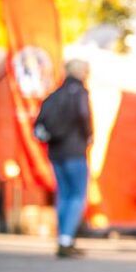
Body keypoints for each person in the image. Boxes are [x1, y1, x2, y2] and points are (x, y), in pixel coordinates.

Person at [37, 60, 93, 258]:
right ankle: (66, 240)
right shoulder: (79, 92)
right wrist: (89, 135)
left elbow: (39, 123)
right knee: (77, 196)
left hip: (56, 153)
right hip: (75, 152)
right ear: (81, 72)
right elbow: (83, 115)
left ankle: (63, 237)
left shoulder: (54, 95)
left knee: (64, 196)